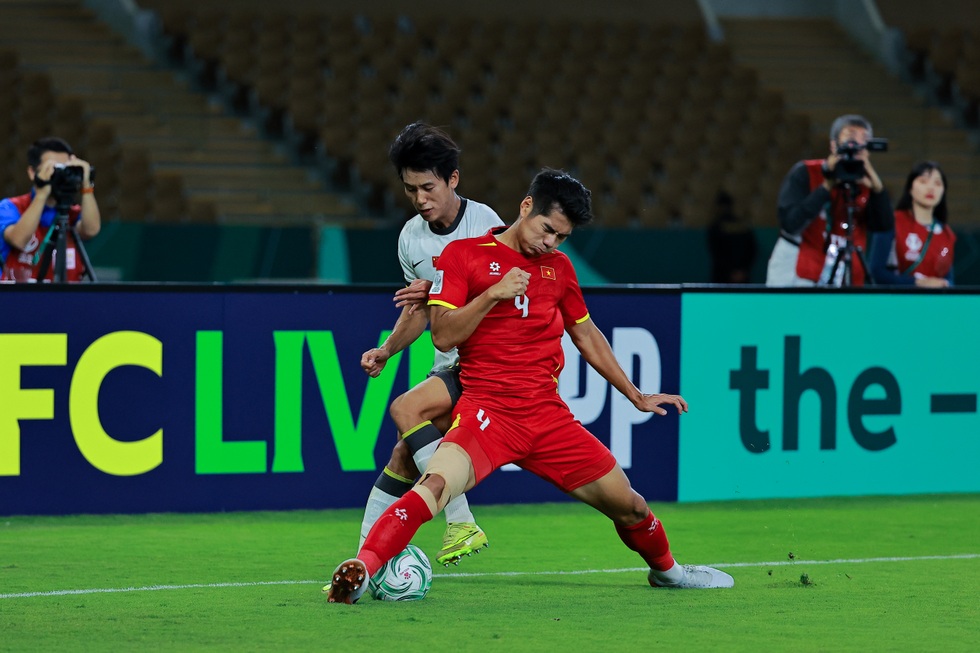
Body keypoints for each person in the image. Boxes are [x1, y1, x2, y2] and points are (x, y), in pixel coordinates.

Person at [327, 169, 734, 604]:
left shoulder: (559, 268)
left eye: (561, 237)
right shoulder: (463, 256)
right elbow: (443, 336)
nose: (550, 243)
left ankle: (670, 574)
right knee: (434, 486)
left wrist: (636, 395)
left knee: (631, 506)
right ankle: (361, 570)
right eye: (547, 229)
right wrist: (492, 294)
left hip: (547, 418)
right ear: (526, 207)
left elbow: (586, 334)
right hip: (486, 415)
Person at [354, 122, 503, 567]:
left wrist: (440, 289)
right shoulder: (410, 237)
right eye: (410, 189)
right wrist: (387, 349)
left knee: (406, 409)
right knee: (404, 455)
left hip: (488, 362)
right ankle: (362, 565)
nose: (420, 199)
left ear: (453, 179)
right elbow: (418, 311)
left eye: (428, 187)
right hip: (449, 365)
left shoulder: (486, 225)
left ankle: (461, 520)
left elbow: (505, 300)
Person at [766, 114, 892, 287]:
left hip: (845, 270)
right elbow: (790, 224)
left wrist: (878, 190)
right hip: (797, 268)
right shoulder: (806, 172)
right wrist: (826, 186)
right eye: (851, 137)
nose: (857, 145)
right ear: (834, 145)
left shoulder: (866, 183)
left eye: (864, 140)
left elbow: (882, 226)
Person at [0, 137, 101, 282]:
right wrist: (42, 194)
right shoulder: (10, 206)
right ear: (32, 172)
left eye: (64, 169)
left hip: (67, 294)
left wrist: (86, 185)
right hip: (19, 294)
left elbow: (90, 230)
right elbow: (19, 240)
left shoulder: (71, 213)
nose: (59, 176)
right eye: (54, 169)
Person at [869, 161, 955, 287]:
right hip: (899, 298)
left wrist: (944, 284)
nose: (931, 188)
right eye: (923, 181)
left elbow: (948, 279)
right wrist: (917, 283)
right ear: (910, 188)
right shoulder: (891, 221)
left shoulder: (947, 234)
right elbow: (876, 272)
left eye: (937, 183)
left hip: (935, 299)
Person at [707, 190, 758, 283]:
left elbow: (717, 252)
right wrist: (741, 271)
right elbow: (752, 250)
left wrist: (733, 272)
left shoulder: (716, 227)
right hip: (739, 275)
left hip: (723, 277)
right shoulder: (743, 226)